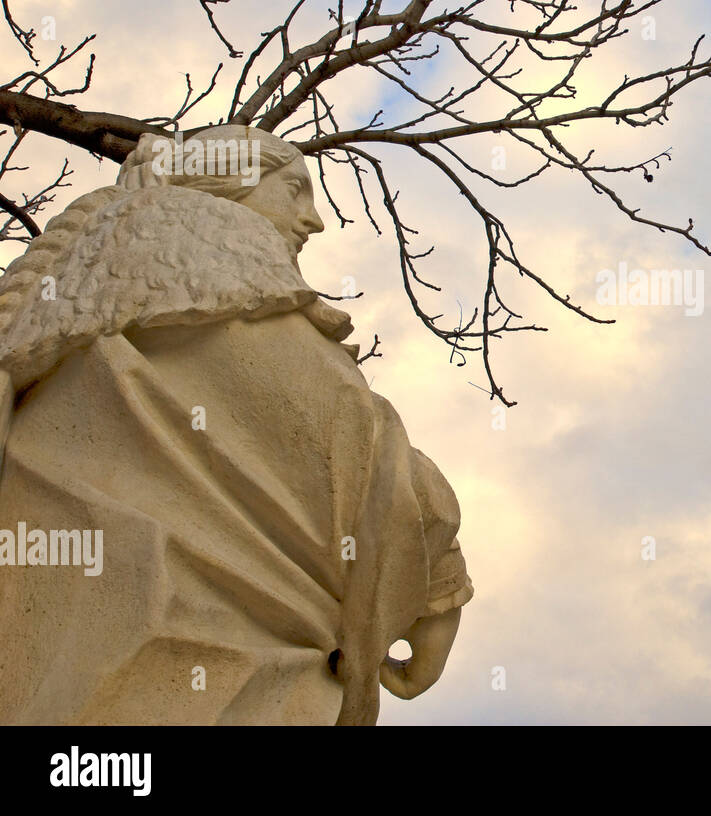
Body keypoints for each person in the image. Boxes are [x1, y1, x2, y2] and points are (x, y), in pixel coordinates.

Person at [0, 125, 471, 724]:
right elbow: (348, 440)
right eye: (294, 189)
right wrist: (439, 584)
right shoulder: (197, 258)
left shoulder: (85, 300)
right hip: (181, 657)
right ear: (223, 185)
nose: (314, 220)